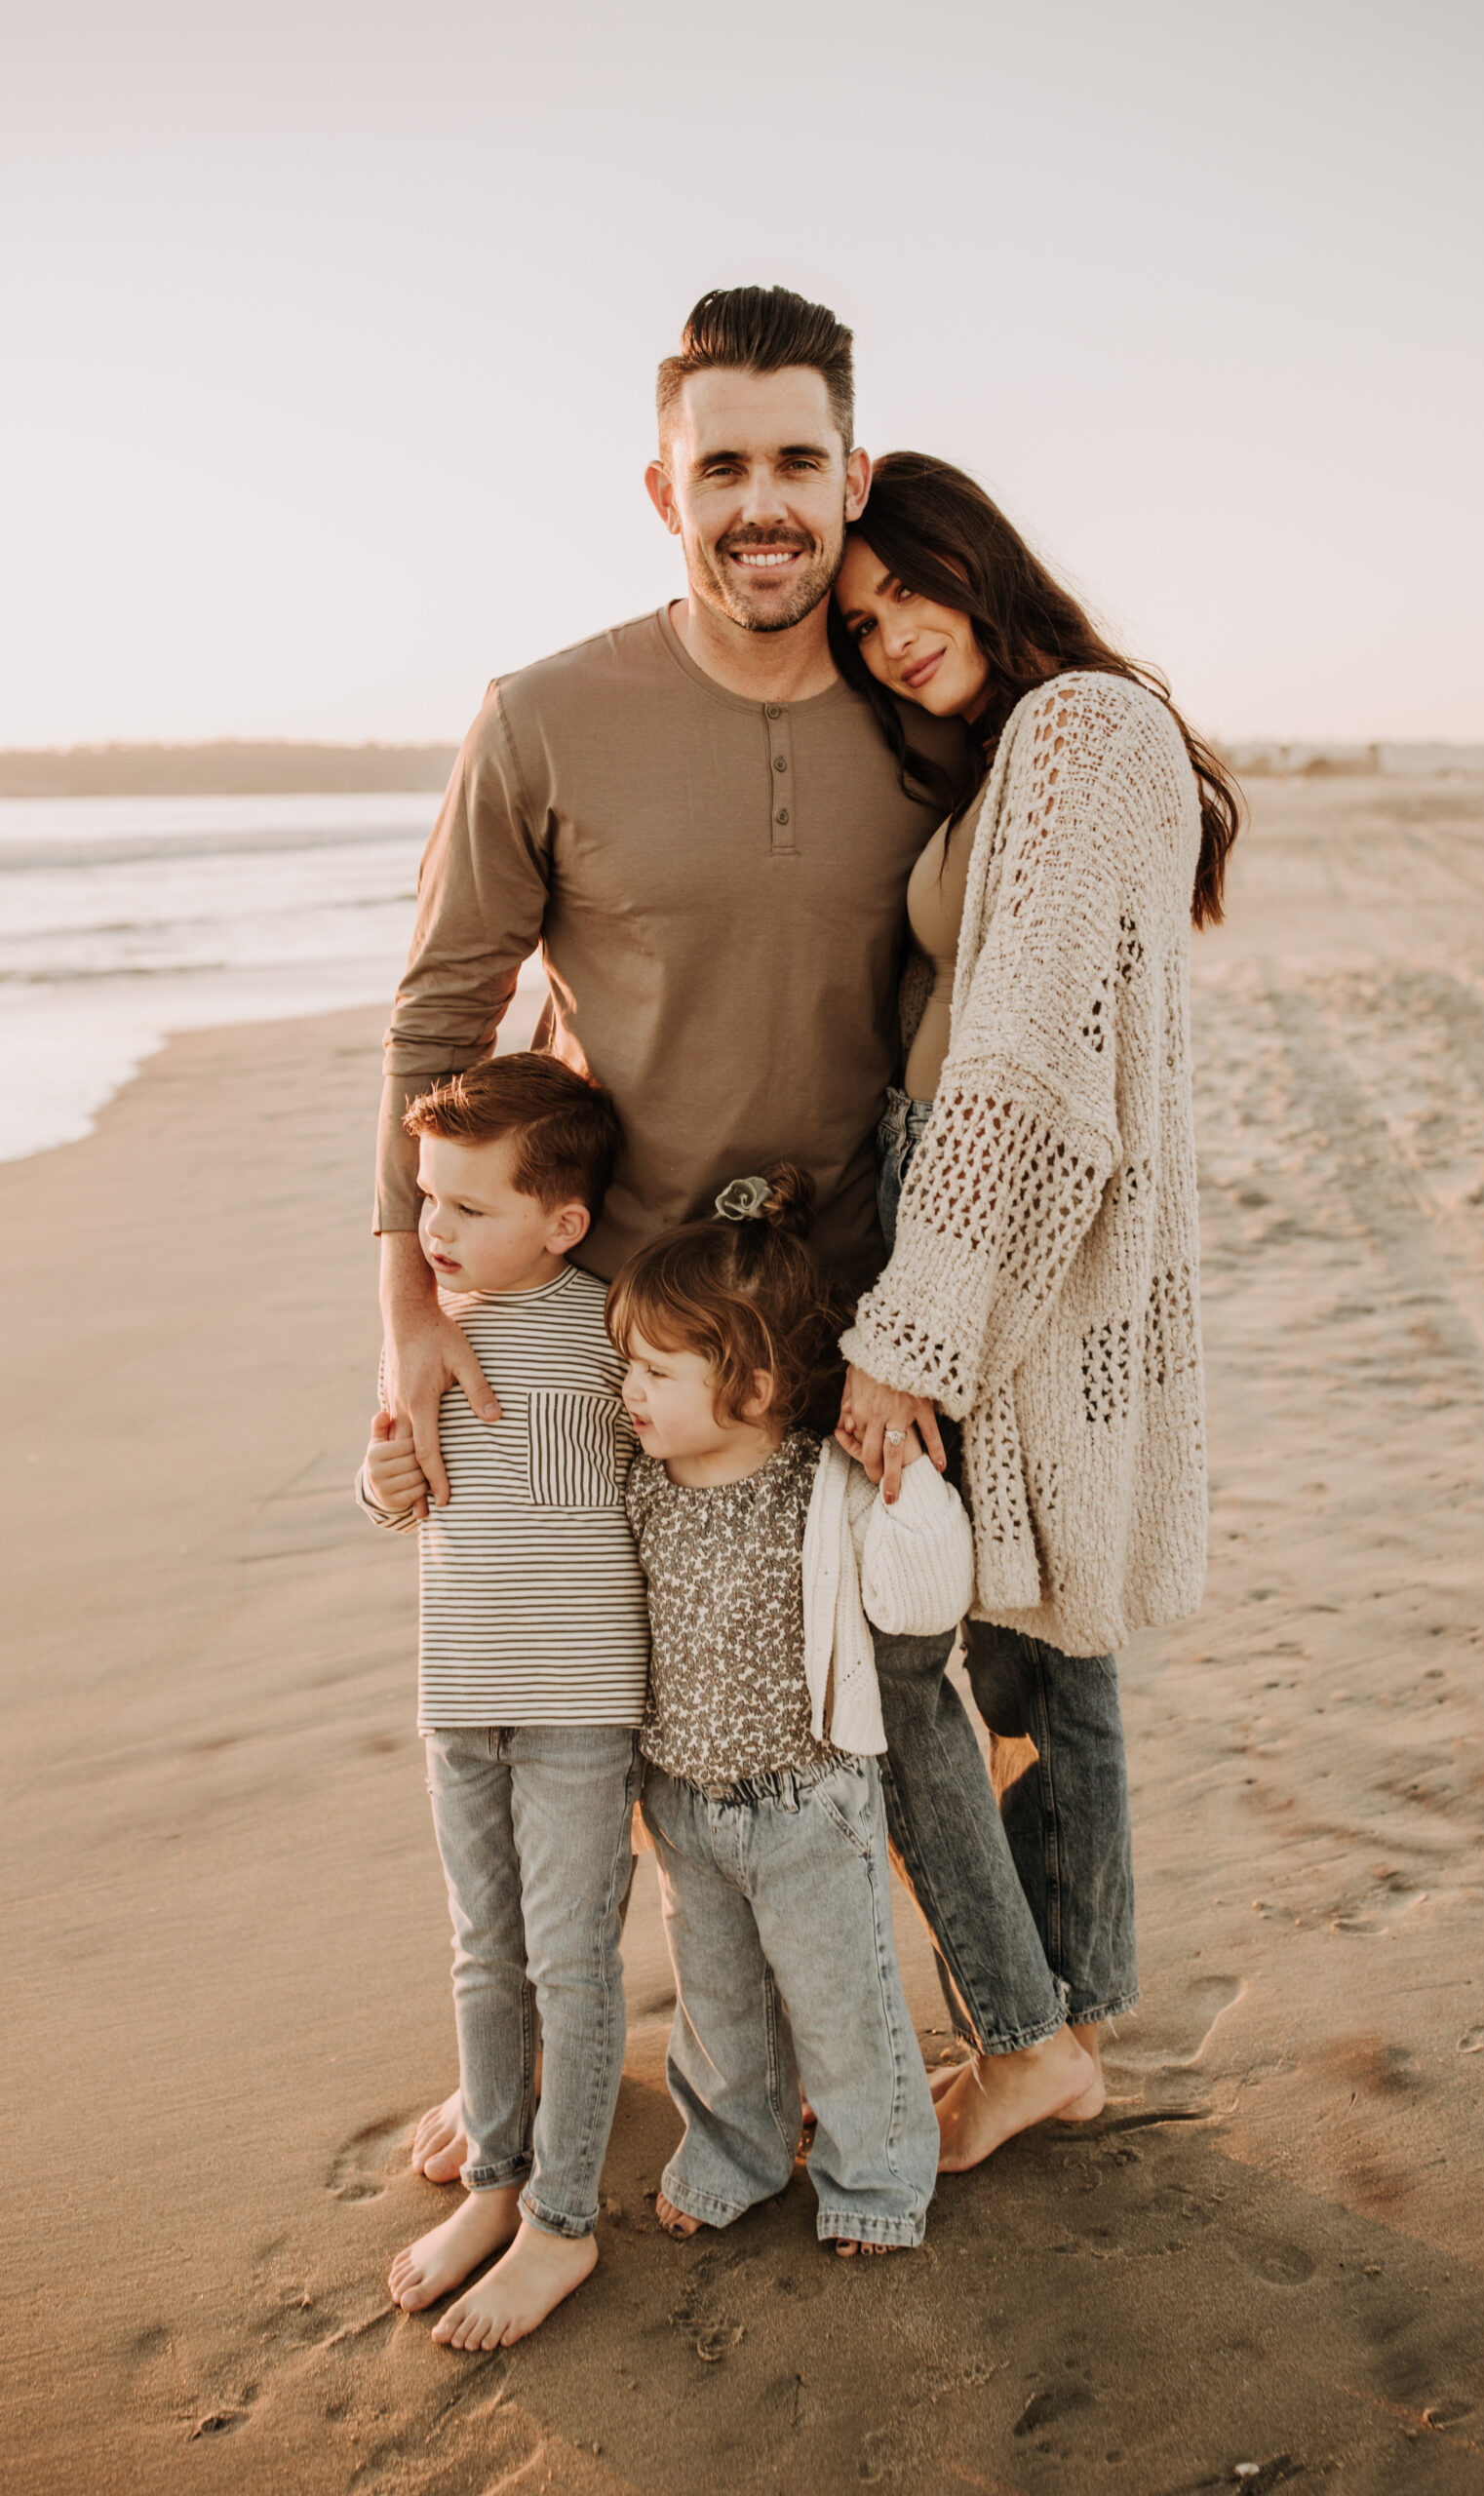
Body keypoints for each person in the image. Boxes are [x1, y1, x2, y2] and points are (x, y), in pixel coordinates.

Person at [386, 284, 964, 2187]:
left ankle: (856, 2059)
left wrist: (939, 1322)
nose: (762, 502)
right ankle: (534, 2066)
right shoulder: (541, 713)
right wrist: (407, 1314)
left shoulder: (922, 711)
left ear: (849, 473)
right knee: (594, 1719)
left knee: (844, 1717)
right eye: (722, 464)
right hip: (611, 1331)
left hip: (851, 1307)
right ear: (663, 486)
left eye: (798, 459)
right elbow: (433, 1026)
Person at [830, 451, 1241, 2170]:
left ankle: (1025, 2031)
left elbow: (1020, 1076)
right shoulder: (1018, 748)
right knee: (1035, 1645)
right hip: (993, 1228)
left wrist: (907, 1336)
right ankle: (1061, 2030)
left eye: (909, 587)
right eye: (860, 627)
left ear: (974, 558)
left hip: (1012, 1237)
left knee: (918, 1652)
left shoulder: (1079, 731)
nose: (891, 634)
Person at [607, 1166, 971, 2254]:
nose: (630, 1387)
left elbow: (923, 1597)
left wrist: (909, 1494)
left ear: (755, 1388)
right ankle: (736, 2151)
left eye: (656, 1370)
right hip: (686, 1802)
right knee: (720, 2013)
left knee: (842, 2004)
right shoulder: (639, 1486)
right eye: (628, 1361)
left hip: (809, 1802)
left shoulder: (822, 1481)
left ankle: (875, 2179)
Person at [358, 1054, 648, 2351]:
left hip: (582, 1700)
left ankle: (562, 2221)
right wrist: (383, 1474)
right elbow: (395, 1499)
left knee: (573, 1959)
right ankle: (493, 2182)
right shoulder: (431, 1333)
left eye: (467, 1210)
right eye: (427, 1200)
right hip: (460, 1697)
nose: (433, 1231)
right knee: (485, 1949)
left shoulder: (609, 1331)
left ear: (563, 1221)